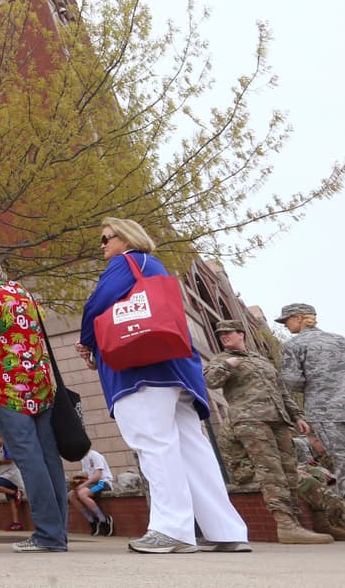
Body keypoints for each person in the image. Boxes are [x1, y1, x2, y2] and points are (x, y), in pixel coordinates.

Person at [76, 217, 249, 554]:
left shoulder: (125, 261)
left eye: (105, 238)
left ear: (126, 239)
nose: (102, 246)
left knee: (153, 442)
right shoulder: (153, 266)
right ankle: (224, 529)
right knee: (191, 448)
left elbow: (96, 305)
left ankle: (171, 529)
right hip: (176, 369)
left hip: (138, 368)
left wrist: (88, 341)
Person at [0, 257, 67, 553]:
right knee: (49, 458)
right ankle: (59, 532)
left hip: (6, 388)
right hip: (41, 385)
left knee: (28, 458)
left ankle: (47, 535)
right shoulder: (23, 292)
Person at [205, 318, 331, 543]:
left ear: (241, 334)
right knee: (270, 471)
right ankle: (284, 524)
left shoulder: (261, 361)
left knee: (289, 471)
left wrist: (297, 416)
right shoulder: (222, 359)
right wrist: (228, 365)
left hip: (278, 420)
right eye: (221, 335)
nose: (224, 337)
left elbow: (280, 390)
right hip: (250, 421)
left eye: (229, 333)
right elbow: (210, 381)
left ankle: (298, 523)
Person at [278, 301, 345, 524]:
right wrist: (344, 378)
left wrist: (314, 381)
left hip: (324, 410)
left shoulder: (294, 345)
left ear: (300, 318)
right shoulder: (339, 339)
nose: (285, 325)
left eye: (287, 320)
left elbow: (291, 380)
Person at [0, 431, 26, 530]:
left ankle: (15, 492)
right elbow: (7, 462)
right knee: (12, 500)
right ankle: (16, 523)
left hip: (11, 476)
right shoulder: (2, 449)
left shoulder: (6, 445)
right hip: (9, 475)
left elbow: (10, 459)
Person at [71, 449, 115, 536]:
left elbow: (97, 476)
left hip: (103, 483)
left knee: (82, 493)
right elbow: (87, 476)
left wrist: (83, 485)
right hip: (92, 484)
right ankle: (92, 520)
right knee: (71, 495)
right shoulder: (83, 458)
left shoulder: (95, 455)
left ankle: (104, 520)